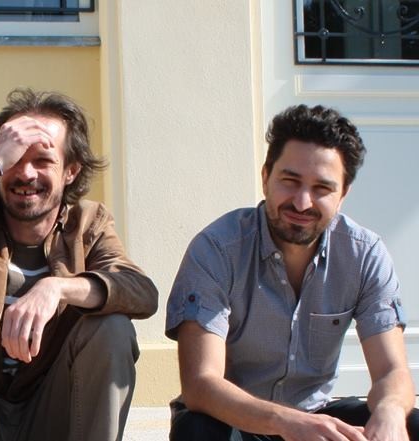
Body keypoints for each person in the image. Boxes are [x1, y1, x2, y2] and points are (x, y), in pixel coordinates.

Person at [0, 88, 159, 441]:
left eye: (42, 160)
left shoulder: (88, 223)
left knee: (113, 328)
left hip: (53, 412)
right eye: (13, 158)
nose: (25, 173)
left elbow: (140, 292)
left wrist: (56, 288)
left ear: (70, 171)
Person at [166, 104, 418, 441]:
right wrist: (287, 424)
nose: (302, 202)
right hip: (235, 419)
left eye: (322, 188)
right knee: (196, 430)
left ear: (343, 195)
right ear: (265, 178)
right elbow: (201, 383)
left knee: (410, 421)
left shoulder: (364, 253)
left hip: (316, 412)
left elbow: (391, 371)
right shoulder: (217, 249)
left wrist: (390, 413)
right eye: (290, 181)